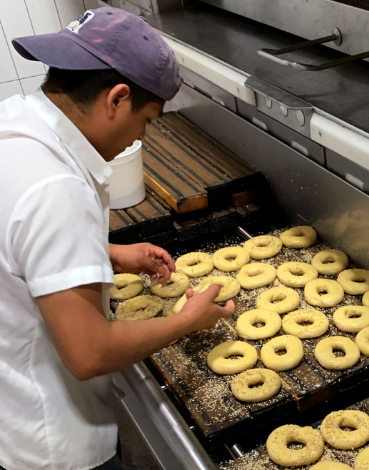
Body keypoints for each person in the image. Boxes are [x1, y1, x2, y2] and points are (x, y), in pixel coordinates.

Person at [0, 7, 233, 470]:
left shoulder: (15, 125)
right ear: (117, 98)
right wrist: (187, 321)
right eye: (146, 120)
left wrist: (103, 252)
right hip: (52, 441)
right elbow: (90, 353)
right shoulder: (57, 186)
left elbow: (16, 236)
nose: (136, 139)